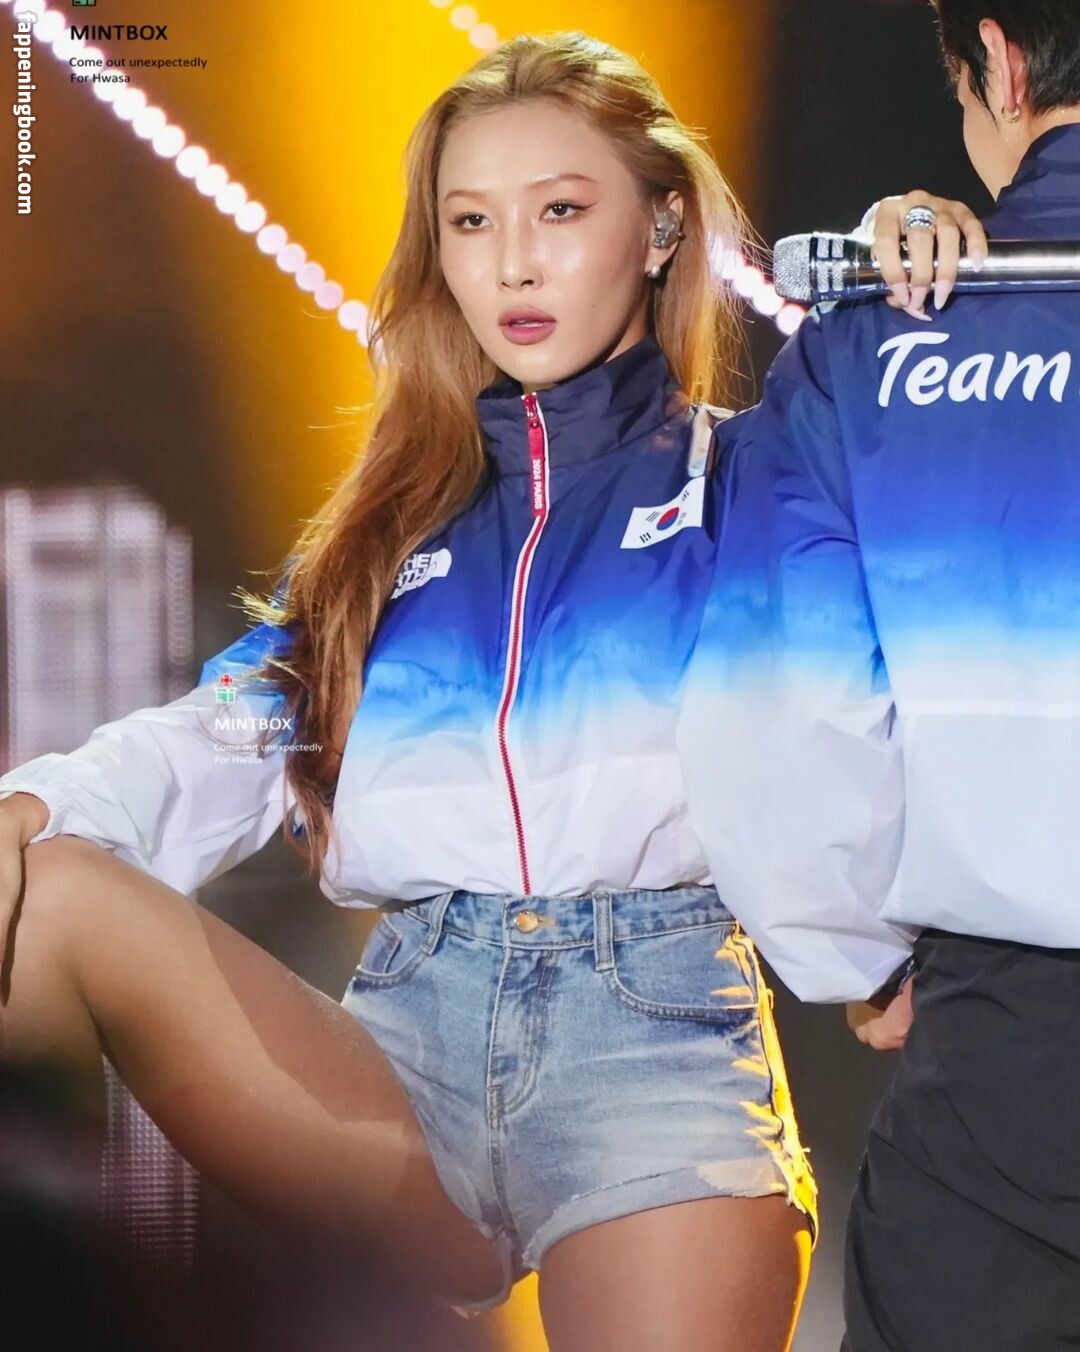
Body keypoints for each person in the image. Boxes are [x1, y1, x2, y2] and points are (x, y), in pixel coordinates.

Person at [0, 27, 981, 1352]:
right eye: (470, 222)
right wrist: (35, 804)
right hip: (400, 1055)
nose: (512, 262)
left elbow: (932, 567)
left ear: (661, 227)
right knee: (42, 886)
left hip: (656, 1050)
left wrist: (920, 285)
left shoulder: (760, 477)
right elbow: (227, 731)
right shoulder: (388, 535)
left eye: (559, 211)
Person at [679, 3, 1080, 1348]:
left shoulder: (865, 348)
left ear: (1000, 64)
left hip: (1002, 1066)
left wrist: (849, 955)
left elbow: (774, 706)